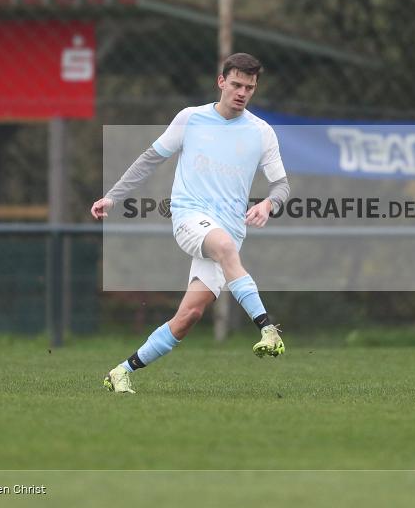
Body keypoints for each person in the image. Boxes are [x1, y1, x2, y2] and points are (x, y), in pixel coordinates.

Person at [91, 53, 290, 394]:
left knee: (189, 317)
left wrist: (271, 203)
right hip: (189, 218)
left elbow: (282, 185)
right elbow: (149, 159)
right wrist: (113, 196)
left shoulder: (261, 132)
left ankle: (120, 372)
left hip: (230, 231)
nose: (242, 92)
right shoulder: (191, 118)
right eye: (237, 84)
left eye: (250, 87)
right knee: (225, 247)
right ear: (221, 82)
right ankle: (268, 329)